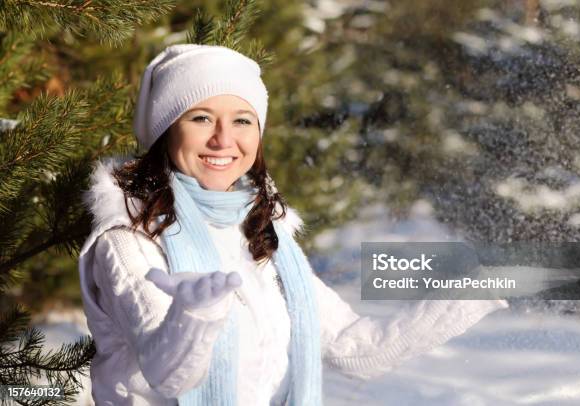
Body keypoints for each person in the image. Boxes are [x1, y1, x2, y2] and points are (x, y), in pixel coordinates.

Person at [77, 44, 508, 406]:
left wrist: (475, 290)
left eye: (242, 120)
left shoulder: (262, 233)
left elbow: (357, 350)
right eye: (201, 117)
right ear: (166, 131)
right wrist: (194, 313)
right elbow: (166, 376)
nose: (224, 140)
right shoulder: (128, 239)